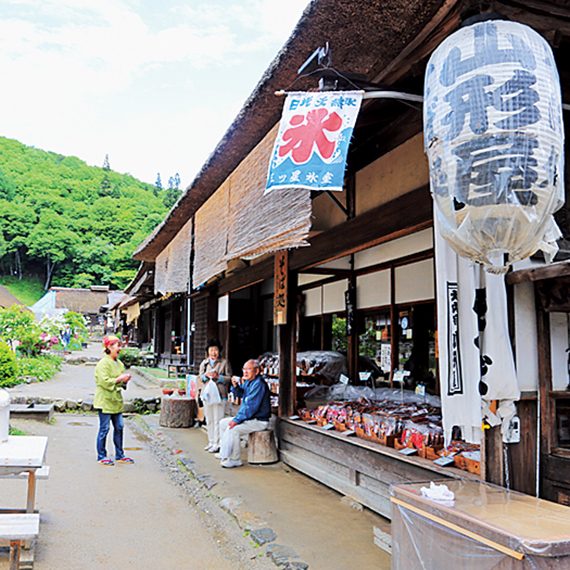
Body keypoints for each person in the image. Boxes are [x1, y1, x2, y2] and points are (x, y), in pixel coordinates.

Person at [218, 359, 271, 468]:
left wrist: (236, 420)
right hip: (251, 419)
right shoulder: (249, 382)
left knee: (234, 429)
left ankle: (235, 459)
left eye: (249, 369)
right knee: (223, 423)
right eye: (244, 369)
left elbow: (250, 407)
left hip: (259, 421)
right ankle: (224, 452)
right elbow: (241, 394)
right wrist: (235, 386)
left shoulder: (258, 384)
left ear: (256, 371)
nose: (245, 372)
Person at [93, 335, 134, 466]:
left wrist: (124, 381)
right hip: (105, 400)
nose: (120, 348)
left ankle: (120, 454)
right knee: (104, 429)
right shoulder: (103, 364)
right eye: (118, 345)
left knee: (120, 427)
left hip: (116, 400)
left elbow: (120, 385)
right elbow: (104, 382)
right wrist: (119, 379)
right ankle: (101, 456)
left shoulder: (119, 363)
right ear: (109, 347)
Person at [198, 339, 232, 453]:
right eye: (211, 350)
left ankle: (218, 443)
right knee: (209, 419)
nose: (213, 352)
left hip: (220, 394)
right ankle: (211, 441)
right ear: (208, 351)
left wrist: (219, 378)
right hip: (207, 395)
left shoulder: (224, 362)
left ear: (219, 351)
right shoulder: (204, 363)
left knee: (218, 419)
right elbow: (201, 378)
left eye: (216, 350)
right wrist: (207, 375)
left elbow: (229, 378)